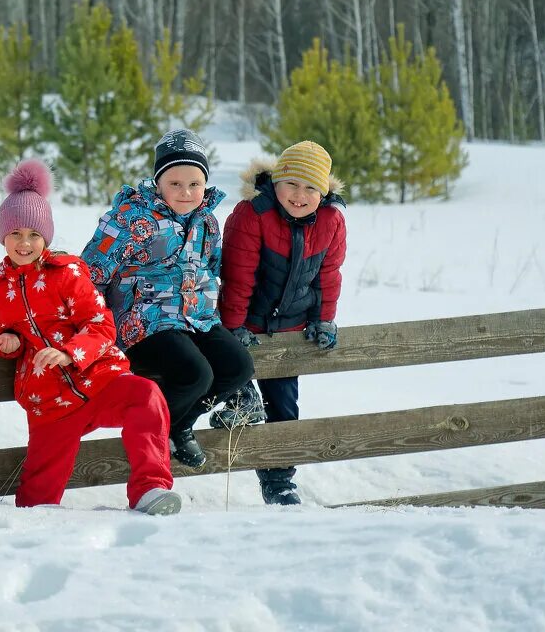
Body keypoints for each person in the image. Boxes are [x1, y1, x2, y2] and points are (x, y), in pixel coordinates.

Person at [0, 159, 181, 516]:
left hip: (98, 380)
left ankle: (150, 490)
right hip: (50, 402)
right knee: (36, 502)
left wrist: (69, 352)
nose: (24, 243)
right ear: (3, 237)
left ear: (46, 237)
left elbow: (101, 324)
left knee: (146, 396)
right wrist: (5, 341)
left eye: (33, 234)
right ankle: (28, 538)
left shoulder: (68, 272)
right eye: (15, 234)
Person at [81, 129, 254, 470]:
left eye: (194, 183)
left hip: (197, 317)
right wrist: (95, 329)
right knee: (195, 374)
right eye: (175, 183)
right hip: (144, 319)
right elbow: (90, 273)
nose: (186, 192)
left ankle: (179, 423)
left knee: (239, 367)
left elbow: (212, 265)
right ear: (158, 182)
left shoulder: (206, 220)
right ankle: (149, 432)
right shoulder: (131, 218)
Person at [216, 140, 347, 505]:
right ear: (276, 182)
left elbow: (329, 274)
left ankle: (279, 482)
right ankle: (235, 401)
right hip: (246, 322)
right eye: (291, 184)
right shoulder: (252, 214)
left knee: (285, 410)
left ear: (323, 193)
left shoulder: (331, 221)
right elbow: (238, 276)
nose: (299, 195)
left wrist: (324, 320)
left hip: (290, 327)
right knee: (232, 378)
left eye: (311, 188)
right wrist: (233, 328)